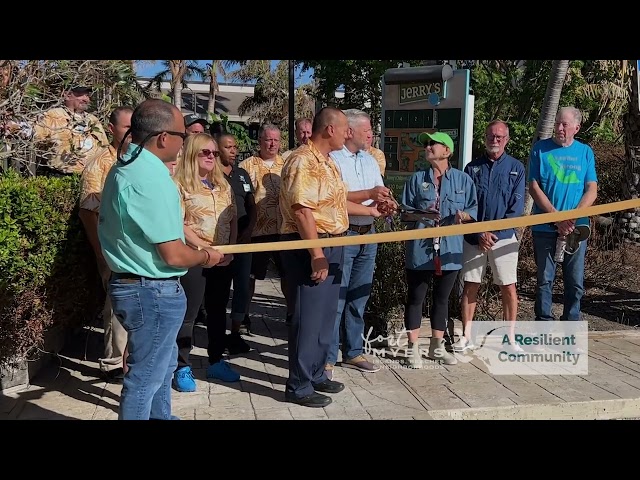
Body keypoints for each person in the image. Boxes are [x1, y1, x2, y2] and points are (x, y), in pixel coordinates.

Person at [98, 98, 223, 420]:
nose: (185, 143)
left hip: (143, 287)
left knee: (161, 366)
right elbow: (173, 253)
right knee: (146, 376)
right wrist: (207, 255)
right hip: (149, 289)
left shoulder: (127, 168)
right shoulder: (148, 179)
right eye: (182, 136)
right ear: (164, 138)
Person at [279, 107, 382, 408]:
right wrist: (317, 255)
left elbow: (339, 202)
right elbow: (302, 211)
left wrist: (373, 207)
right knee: (308, 318)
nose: (348, 133)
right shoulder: (302, 161)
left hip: (334, 243)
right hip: (310, 246)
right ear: (329, 130)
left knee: (324, 317)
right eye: (344, 129)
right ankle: (298, 385)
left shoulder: (328, 163)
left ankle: (316, 374)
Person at [326, 109, 397, 380]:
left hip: (369, 235)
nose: (371, 134)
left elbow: (378, 193)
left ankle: (354, 351)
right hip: (345, 234)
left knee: (358, 296)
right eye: (367, 129)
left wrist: (387, 203)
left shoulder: (369, 160)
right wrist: (369, 197)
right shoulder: (332, 160)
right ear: (350, 131)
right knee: (337, 298)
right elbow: (336, 198)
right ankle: (328, 358)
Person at [400, 131, 477, 368]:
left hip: (450, 250)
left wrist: (463, 215)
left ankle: (436, 347)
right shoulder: (416, 179)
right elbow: (404, 212)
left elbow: (473, 210)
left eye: (434, 143)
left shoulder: (464, 180)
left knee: (441, 300)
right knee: (415, 298)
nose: (428, 147)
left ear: (447, 151)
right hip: (420, 251)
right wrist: (421, 215)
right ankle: (412, 349)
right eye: (427, 144)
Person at [172, 133, 240, 391]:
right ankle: (182, 366)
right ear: (192, 154)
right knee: (188, 314)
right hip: (194, 258)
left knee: (218, 310)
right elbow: (178, 223)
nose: (212, 156)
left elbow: (233, 218)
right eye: (205, 152)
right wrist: (204, 249)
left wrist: (230, 249)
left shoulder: (223, 185)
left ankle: (216, 360)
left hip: (222, 258)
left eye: (213, 152)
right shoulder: (179, 185)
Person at [456, 121, 526, 352]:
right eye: (490, 136)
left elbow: (515, 209)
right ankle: (466, 336)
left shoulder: (517, 168)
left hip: (504, 237)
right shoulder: (471, 168)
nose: (494, 140)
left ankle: (510, 338)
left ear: (506, 139)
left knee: (508, 287)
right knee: (470, 285)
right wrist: (479, 233)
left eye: (499, 137)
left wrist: (492, 234)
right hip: (474, 238)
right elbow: (466, 205)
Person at [78, 106, 133, 383]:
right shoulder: (101, 163)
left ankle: (132, 359)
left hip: (139, 251)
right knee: (117, 305)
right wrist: (100, 253)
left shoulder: (140, 159)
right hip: (113, 250)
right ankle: (113, 362)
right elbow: (88, 210)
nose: (132, 133)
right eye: (126, 127)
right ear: (111, 129)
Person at [529, 106, 598, 322]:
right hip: (545, 226)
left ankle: (570, 326)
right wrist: (555, 217)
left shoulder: (585, 152)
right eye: (558, 123)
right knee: (544, 280)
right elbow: (533, 186)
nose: (559, 128)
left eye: (564, 124)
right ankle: (543, 326)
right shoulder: (540, 149)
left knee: (575, 282)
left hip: (577, 228)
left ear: (576, 128)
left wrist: (572, 218)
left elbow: (592, 189)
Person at [239, 124, 292, 327]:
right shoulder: (247, 166)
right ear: (260, 141)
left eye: (276, 140)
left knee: (287, 275)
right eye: (268, 139)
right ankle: (243, 315)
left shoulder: (287, 164)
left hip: (284, 229)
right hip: (256, 231)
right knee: (250, 276)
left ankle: (292, 313)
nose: (272, 144)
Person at [3, 85, 109, 175]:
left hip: (92, 177)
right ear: (67, 95)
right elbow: (33, 131)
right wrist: (13, 127)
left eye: (87, 95)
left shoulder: (93, 120)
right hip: (60, 176)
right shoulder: (54, 115)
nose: (85, 99)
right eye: (80, 94)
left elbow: (105, 149)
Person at [216, 132, 257, 337]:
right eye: (228, 147)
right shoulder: (211, 173)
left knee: (242, 286)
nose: (233, 151)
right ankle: (216, 330)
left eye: (235, 147)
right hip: (220, 241)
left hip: (243, 240)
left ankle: (235, 332)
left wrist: (248, 231)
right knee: (220, 290)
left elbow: (251, 204)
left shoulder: (242, 174)